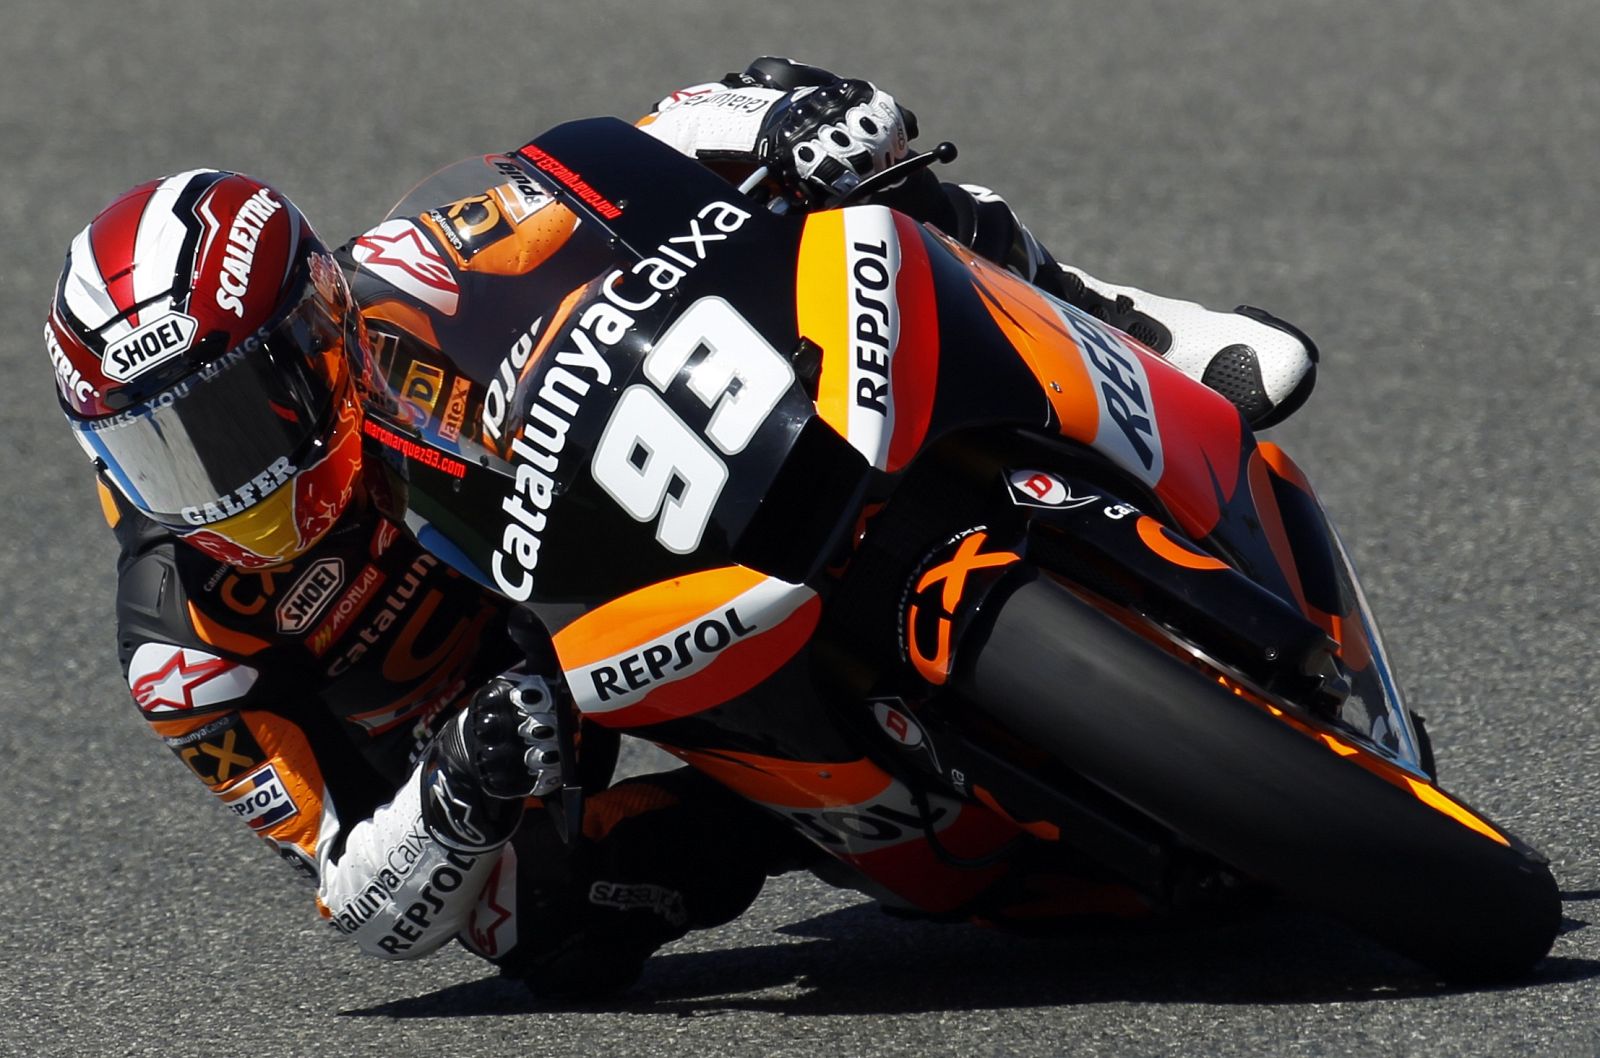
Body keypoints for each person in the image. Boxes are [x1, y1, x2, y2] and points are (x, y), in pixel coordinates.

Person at [44, 58, 1315, 997]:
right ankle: (815, 811)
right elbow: (355, 900)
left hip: (632, 520)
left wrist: (773, 116)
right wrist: (456, 788)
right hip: (543, 722)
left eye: (232, 418)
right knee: (543, 934)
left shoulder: (413, 272)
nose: (222, 480)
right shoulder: (183, 648)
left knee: (847, 189)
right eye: (158, 446)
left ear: (316, 329)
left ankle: (1134, 328)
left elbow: (614, 158)